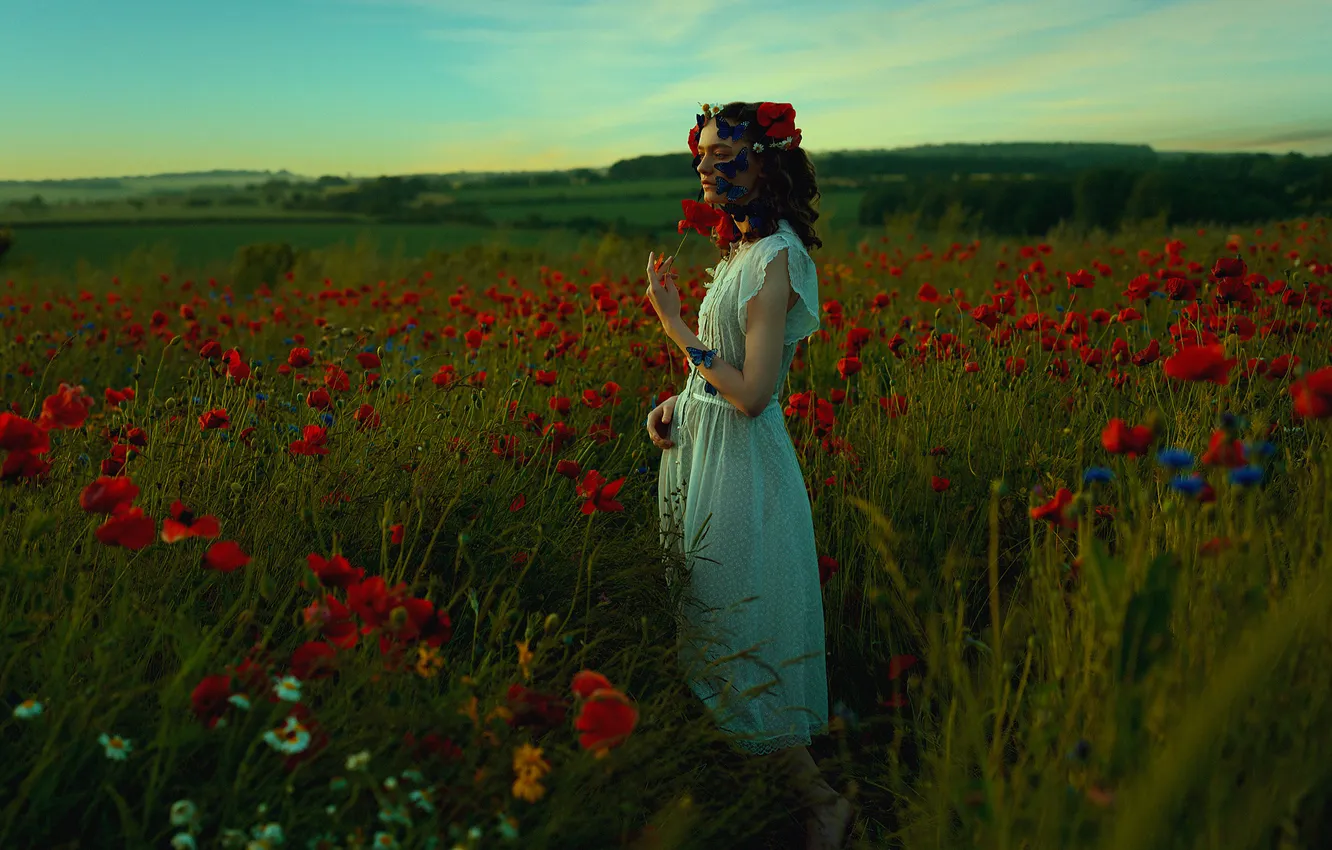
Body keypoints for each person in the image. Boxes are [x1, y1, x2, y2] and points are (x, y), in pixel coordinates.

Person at [644, 101, 854, 850]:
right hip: (704, 453)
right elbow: (720, 377)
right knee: (708, 631)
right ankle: (751, 800)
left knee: (740, 636)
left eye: (721, 155)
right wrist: (674, 403)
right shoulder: (740, 252)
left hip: (741, 470)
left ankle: (820, 804)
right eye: (700, 155)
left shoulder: (779, 259)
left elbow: (756, 392)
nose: (704, 167)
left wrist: (673, 326)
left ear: (766, 160)